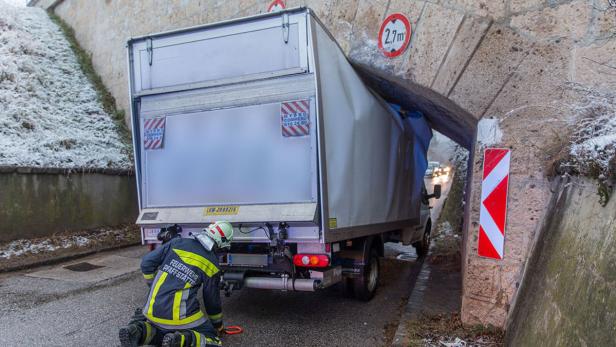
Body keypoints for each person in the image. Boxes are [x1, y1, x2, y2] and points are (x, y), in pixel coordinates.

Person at [119, 221, 234, 347]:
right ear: (221, 243)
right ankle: (184, 340)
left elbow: (146, 263)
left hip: (151, 310)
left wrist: (153, 286)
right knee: (213, 341)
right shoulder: (212, 265)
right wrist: (218, 325)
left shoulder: (176, 243)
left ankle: (138, 332)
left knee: (160, 332)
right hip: (181, 319)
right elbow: (211, 302)